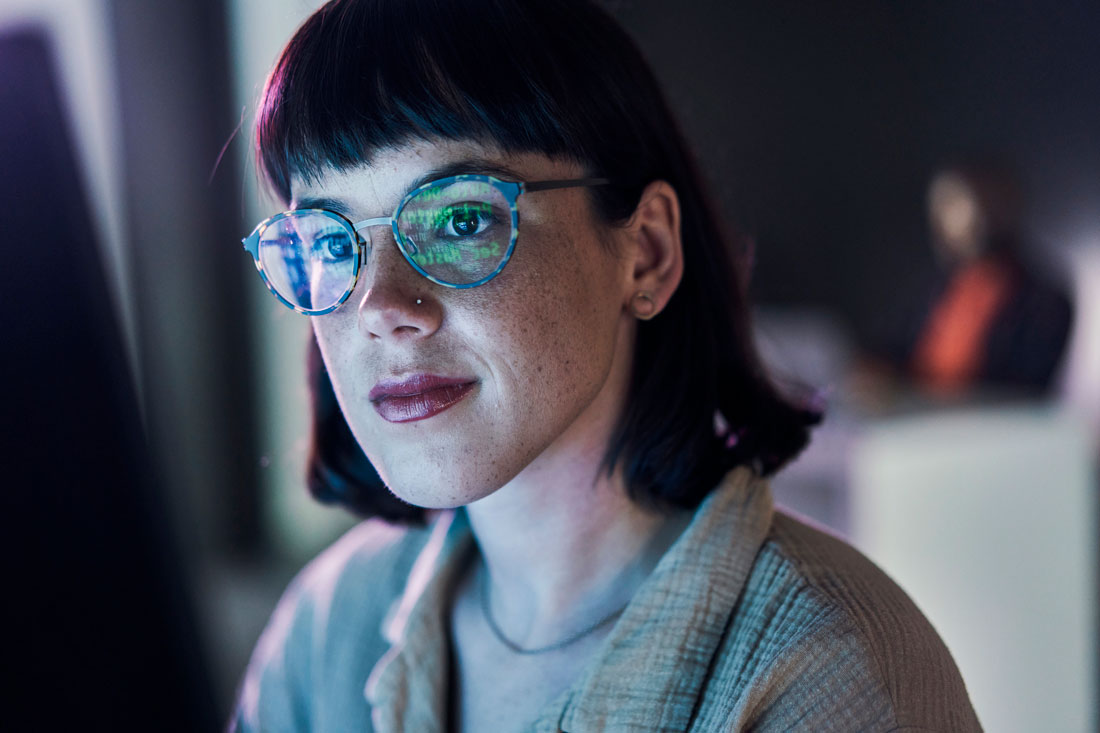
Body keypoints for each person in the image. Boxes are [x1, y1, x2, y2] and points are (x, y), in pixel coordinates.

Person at [232, 1, 980, 730]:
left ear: (645, 252)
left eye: (461, 219)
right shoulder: (327, 629)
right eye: (330, 242)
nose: (379, 305)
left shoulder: (825, 669)